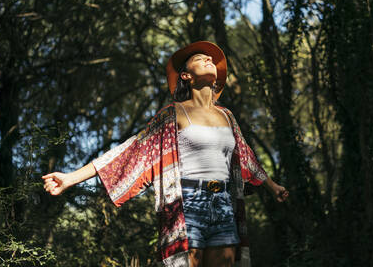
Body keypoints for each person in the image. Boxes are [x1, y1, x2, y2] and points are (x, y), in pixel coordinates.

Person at [42, 41, 289, 267]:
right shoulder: (173, 114)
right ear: (186, 75)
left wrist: (272, 185)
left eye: (211, 59)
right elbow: (129, 149)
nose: (208, 60)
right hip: (187, 205)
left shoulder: (227, 116)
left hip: (224, 204)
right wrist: (70, 178)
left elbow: (245, 155)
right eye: (200, 59)